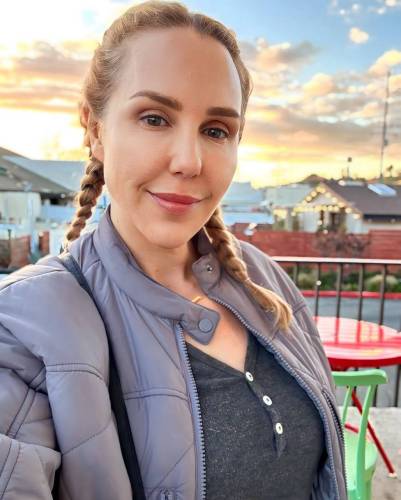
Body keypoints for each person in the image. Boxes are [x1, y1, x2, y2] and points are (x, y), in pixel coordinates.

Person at [0, 1, 347, 499]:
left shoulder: (263, 278)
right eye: (155, 118)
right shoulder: (25, 325)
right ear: (95, 129)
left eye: (216, 130)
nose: (189, 161)